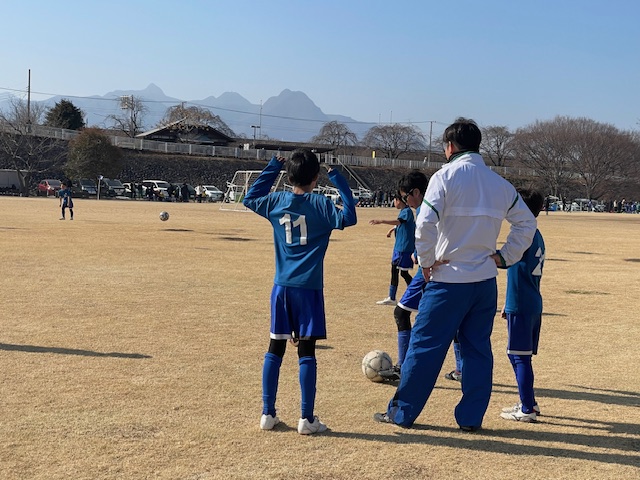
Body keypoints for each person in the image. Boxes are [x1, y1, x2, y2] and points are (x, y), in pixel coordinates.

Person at [373, 117, 537, 431]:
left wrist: (426, 261)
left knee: (425, 347)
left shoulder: (444, 177)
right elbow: (527, 223)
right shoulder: (499, 184)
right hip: (484, 282)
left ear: (450, 146)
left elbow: (425, 223)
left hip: (448, 280)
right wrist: (505, 256)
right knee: (477, 350)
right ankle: (471, 418)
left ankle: (402, 413)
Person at [243, 149, 357, 435]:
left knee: (275, 348)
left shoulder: (277, 200)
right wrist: (337, 178)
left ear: (288, 177)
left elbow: (250, 198)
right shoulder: (321, 204)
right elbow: (350, 216)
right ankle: (306, 419)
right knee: (307, 352)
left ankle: (267, 413)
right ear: (315, 177)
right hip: (309, 289)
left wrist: (272, 167)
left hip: (281, 287)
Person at [500, 188, 545, 423]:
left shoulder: (522, 236)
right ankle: (529, 401)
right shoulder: (536, 234)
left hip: (522, 304)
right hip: (529, 302)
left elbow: (502, 260)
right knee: (518, 355)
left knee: (519, 357)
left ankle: (527, 409)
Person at [377, 171, 428, 381]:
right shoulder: (431, 208)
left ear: (415, 192)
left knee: (401, 313)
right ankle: (461, 370)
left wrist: (420, 255)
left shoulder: (423, 211)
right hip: (439, 271)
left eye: (405, 196)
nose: (405, 201)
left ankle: (403, 367)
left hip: (430, 272)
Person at [370, 194, 415, 305]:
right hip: (400, 247)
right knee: (399, 272)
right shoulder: (404, 211)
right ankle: (394, 296)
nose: (394, 202)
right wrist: (391, 230)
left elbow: (399, 222)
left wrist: (381, 221)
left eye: (394, 200)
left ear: (399, 200)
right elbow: (401, 224)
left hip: (403, 248)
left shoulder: (407, 211)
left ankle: (412, 293)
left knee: (400, 272)